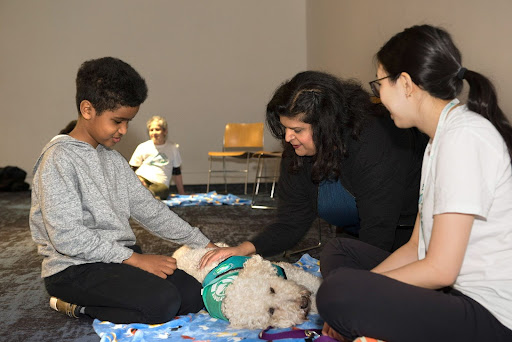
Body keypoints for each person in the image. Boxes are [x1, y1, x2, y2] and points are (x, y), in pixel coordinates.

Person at [317, 25, 512, 342]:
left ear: (405, 84)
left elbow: (440, 270)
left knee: (337, 292)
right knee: (340, 253)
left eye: (380, 84)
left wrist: (363, 293)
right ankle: (369, 316)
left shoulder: (464, 137)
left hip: (490, 316)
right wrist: (368, 288)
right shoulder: (440, 139)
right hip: (452, 290)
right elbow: (415, 247)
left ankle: (367, 317)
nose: (378, 96)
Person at [29, 57, 216, 325]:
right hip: (73, 269)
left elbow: (151, 210)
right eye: (118, 121)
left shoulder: (113, 159)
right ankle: (75, 305)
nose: (124, 131)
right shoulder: (58, 159)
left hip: (116, 259)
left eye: (129, 121)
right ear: (87, 109)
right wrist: (135, 259)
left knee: (194, 296)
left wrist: (203, 243)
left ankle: (131, 286)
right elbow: (67, 237)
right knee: (161, 304)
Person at [200, 70, 428, 268]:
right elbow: (291, 222)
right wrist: (244, 249)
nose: (288, 137)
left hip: (408, 236)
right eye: (285, 128)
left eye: (298, 130)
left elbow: (378, 231)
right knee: (336, 262)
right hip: (360, 234)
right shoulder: (298, 150)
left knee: (341, 273)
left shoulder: (373, 141)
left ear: (327, 127)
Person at [129, 116, 186, 199]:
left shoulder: (173, 148)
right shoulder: (142, 147)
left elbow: (176, 172)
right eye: (151, 130)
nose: (154, 133)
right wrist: (137, 179)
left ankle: (146, 195)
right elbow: (131, 169)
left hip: (160, 184)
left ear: (165, 131)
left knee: (163, 191)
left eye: (157, 129)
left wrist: (182, 192)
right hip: (142, 179)